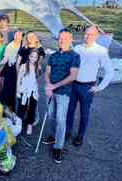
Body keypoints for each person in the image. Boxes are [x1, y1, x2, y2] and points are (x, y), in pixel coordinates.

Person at [66, 26, 113, 146]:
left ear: (96, 36)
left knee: (84, 113)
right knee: (69, 110)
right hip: (73, 84)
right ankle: (67, 131)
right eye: (86, 34)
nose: (88, 36)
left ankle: (80, 136)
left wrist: (99, 87)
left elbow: (110, 71)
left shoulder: (101, 51)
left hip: (87, 87)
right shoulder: (77, 48)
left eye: (91, 34)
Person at [43, 29, 80, 164]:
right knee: (51, 115)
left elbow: (73, 76)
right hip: (51, 91)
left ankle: (58, 147)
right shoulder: (53, 56)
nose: (62, 40)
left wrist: (54, 86)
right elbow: (47, 72)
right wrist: (48, 85)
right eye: (60, 38)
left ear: (71, 40)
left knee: (60, 119)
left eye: (65, 38)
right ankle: (53, 136)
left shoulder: (74, 56)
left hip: (64, 92)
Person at [16, 49, 40, 135]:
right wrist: (18, 91)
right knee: (22, 107)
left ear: (37, 58)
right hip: (24, 90)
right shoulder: (23, 66)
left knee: (32, 108)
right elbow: (19, 79)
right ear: (29, 56)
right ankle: (19, 124)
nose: (33, 58)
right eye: (32, 56)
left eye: (35, 57)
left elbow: (36, 80)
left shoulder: (38, 67)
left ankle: (29, 124)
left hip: (33, 91)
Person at [0, 29, 23, 111]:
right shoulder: (10, 45)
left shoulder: (23, 45)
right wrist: (0, 62)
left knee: (17, 88)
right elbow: (6, 58)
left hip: (21, 68)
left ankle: (14, 107)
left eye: (20, 35)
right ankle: (4, 105)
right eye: (16, 35)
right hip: (11, 68)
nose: (17, 37)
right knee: (8, 87)